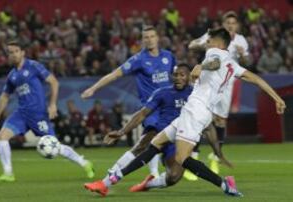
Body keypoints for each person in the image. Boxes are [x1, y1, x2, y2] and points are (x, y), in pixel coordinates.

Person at [85, 28, 286, 197]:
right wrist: (277, 98)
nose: (207, 42)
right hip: (193, 111)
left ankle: (225, 184)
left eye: (210, 40)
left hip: (196, 112)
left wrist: (201, 65)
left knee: (182, 159)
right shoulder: (233, 65)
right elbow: (256, 78)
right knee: (154, 145)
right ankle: (106, 183)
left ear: (219, 42)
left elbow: (213, 63)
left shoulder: (215, 53)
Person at [84, 64, 232, 196]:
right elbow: (143, 113)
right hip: (160, 132)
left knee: (173, 176)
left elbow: (209, 128)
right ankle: (105, 183)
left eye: (182, 75)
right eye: (175, 74)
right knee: (143, 144)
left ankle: (147, 184)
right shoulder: (163, 92)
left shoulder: (196, 96)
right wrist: (123, 131)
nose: (178, 78)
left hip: (179, 140)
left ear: (189, 77)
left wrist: (218, 153)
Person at [0, 40, 94, 183]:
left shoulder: (33, 66)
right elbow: (5, 96)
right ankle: (8, 173)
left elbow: (54, 82)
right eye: (10, 52)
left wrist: (52, 105)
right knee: (1, 135)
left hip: (38, 114)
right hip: (21, 113)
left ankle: (85, 163)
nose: (13, 55)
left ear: (22, 52)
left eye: (15, 51)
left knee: (55, 146)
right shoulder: (12, 75)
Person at [81, 25, 176, 178]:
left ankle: (153, 173)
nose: (150, 40)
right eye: (146, 37)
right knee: (150, 137)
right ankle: (119, 171)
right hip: (150, 108)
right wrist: (93, 88)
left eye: (152, 36)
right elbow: (114, 75)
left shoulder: (169, 56)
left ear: (158, 38)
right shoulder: (138, 59)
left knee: (157, 144)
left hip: (169, 108)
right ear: (142, 41)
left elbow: (178, 77)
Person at [188, 11, 250, 175]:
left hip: (227, 85)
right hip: (208, 82)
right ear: (223, 24)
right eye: (228, 22)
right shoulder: (212, 36)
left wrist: (242, 54)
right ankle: (194, 153)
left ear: (237, 26)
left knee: (221, 120)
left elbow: (247, 63)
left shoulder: (241, 40)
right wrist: (205, 44)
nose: (230, 25)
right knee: (201, 117)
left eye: (233, 23)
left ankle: (216, 157)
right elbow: (192, 45)